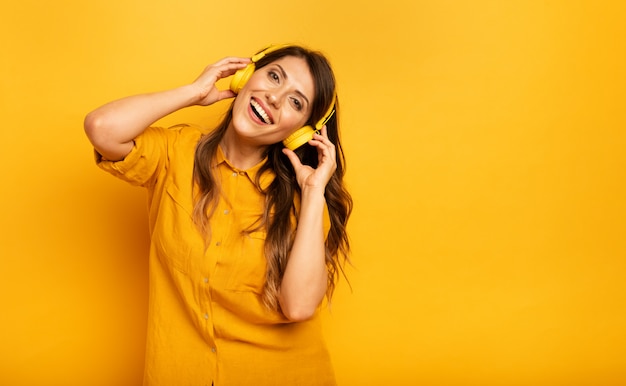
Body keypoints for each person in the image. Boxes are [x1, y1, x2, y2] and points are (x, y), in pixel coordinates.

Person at [84, 44, 352, 386]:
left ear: (301, 130)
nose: (274, 98)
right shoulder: (175, 152)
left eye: (296, 102)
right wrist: (193, 92)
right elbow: (102, 127)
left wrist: (314, 193)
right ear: (245, 76)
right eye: (273, 77)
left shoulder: (306, 198)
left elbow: (298, 306)